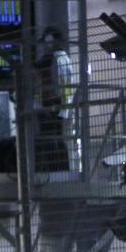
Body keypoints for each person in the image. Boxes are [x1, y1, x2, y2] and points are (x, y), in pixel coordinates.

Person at [35, 26, 76, 172]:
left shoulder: (51, 58)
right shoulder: (65, 58)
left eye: (47, 42)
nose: (45, 46)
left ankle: (54, 171)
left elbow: (35, 70)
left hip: (50, 104)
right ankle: (63, 169)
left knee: (49, 140)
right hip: (62, 105)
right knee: (58, 139)